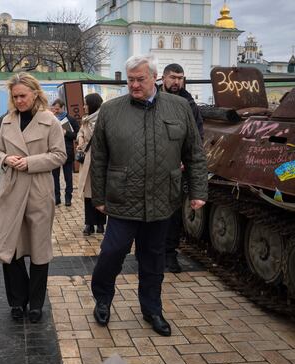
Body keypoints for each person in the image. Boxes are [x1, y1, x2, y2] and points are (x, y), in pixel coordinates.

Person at [89, 54, 208, 336]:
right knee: (111, 253)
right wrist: (99, 198)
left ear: (154, 78)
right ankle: (103, 299)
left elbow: (194, 153)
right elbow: (99, 157)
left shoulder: (179, 108)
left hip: (161, 199)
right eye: (130, 80)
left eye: (140, 79)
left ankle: (152, 310)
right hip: (122, 199)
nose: (134, 85)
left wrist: (198, 190)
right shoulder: (111, 110)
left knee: (153, 260)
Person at [0, 72, 67, 323]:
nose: (19, 101)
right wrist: (5, 159)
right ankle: (17, 301)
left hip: (38, 191)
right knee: (9, 249)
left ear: (35, 93)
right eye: (15, 97)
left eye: (23, 96)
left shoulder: (50, 121)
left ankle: (35, 304)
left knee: (38, 250)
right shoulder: (6, 121)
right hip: (12, 190)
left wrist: (30, 162)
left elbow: (59, 155)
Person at [160, 63, 205, 273]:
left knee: (173, 214)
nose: (176, 82)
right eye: (173, 77)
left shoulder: (188, 104)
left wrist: (183, 159)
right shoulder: (153, 100)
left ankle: (170, 254)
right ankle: (152, 253)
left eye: (180, 77)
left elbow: (196, 137)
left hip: (177, 169)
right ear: (163, 78)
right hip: (153, 165)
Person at [76, 93, 107, 236]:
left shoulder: (104, 118)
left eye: (86, 103)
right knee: (88, 195)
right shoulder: (85, 120)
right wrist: (81, 140)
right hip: (87, 162)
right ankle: (89, 224)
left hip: (100, 161)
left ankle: (100, 223)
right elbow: (80, 132)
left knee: (99, 193)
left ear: (93, 104)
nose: (83, 106)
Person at [50, 99, 79, 206]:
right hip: (53, 152)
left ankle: (68, 198)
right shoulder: (51, 119)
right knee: (54, 177)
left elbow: (77, 134)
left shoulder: (70, 119)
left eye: (57, 109)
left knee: (68, 177)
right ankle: (56, 198)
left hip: (67, 151)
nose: (56, 111)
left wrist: (66, 132)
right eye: (54, 109)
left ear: (63, 108)